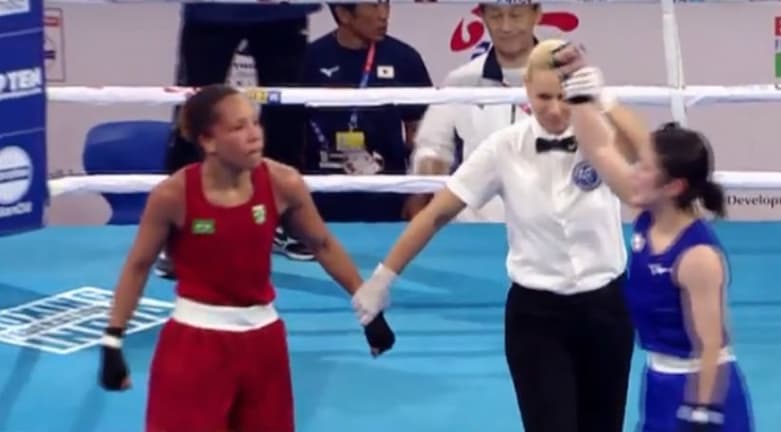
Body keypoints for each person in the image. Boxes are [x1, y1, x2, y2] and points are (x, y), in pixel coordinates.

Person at [350, 39, 640, 432]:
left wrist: (607, 101)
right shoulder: (503, 147)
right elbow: (437, 212)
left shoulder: (600, 137)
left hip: (606, 311)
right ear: (527, 92)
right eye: (544, 96)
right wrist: (382, 277)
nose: (554, 109)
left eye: (563, 96)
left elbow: (651, 163)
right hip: (537, 320)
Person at [97, 84, 396, 432]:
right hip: (195, 346)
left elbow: (321, 244)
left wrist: (368, 309)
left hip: (262, 343)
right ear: (208, 140)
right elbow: (136, 265)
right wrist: (113, 339)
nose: (254, 134)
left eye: (254, 123)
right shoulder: (173, 195)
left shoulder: (282, 183)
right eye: (238, 127)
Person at [554, 44, 755, 432]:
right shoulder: (647, 211)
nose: (633, 171)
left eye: (645, 168)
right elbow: (601, 149)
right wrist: (580, 87)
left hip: (706, 394)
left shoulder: (698, 257)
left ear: (675, 185)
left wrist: (702, 414)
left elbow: (710, 344)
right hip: (658, 385)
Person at [157, 2, 323, 275]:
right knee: (196, 110)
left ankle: (288, 220)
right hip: (213, 10)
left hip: (283, 11)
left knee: (287, 113)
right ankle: (177, 226)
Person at [282, 0, 432, 259]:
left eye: (386, 4)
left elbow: (422, 133)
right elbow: (291, 136)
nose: (383, 15)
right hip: (321, 203)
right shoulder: (309, 59)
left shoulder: (405, 58)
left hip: (388, 203)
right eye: (373, 7)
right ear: (343, 14)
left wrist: (418, 194)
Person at [411, 3, 543, 222]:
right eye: (496, 16)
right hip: (475, 227)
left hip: (550, 229)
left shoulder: (564, 76)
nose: (506, 27)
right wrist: (429, 182)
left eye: (516, 15)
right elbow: (431, 146)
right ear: (482, 16)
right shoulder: (461, 80)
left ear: (536, 14)